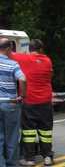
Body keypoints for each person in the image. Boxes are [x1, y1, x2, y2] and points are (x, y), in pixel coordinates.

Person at [11, 39, 53, 166]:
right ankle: (47, 157)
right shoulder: (47, 60)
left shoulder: (23, 59)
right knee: (45, 131)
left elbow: (6, 52)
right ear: (41, 49)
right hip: (45, 100)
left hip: (29, 101)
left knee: (28, 132)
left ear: (29, 49)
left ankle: (30, 159)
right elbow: (50, 77)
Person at [0, 38, 26, 167]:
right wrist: (22, 95)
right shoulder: (13, 64)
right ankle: (11, 164)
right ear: (9, 48)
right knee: (12, 137)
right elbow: (23, 79)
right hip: (10, 103)